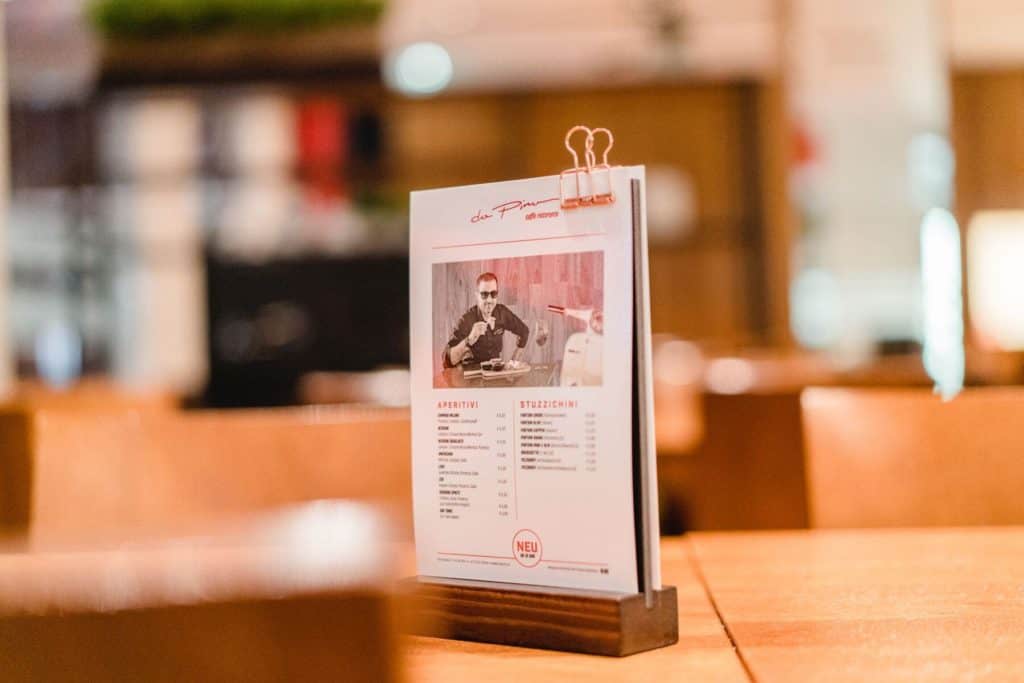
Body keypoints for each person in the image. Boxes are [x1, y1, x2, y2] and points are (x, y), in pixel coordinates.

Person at [444, 272, 529, 368]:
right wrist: (469, 340)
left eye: (493, 294)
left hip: (494, 372)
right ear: (477, 296)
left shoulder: (502, 313)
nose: (489, 300)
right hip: (472, 372)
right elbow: (448, 361)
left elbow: (524, 331)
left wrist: (512, 363)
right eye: (484, 294)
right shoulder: (467, 320)